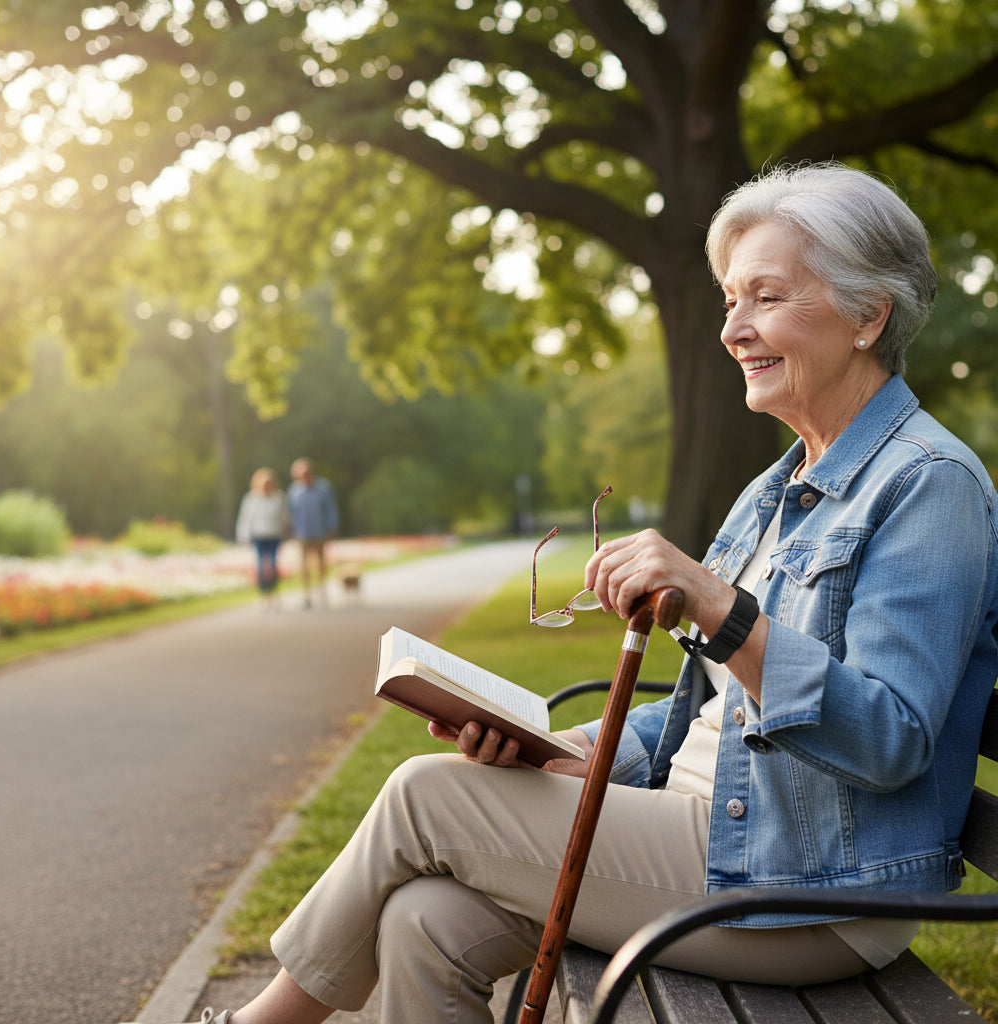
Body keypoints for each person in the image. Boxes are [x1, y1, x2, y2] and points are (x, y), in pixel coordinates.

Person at [134, 163, 998, 1024]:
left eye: (765, 297)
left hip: (814, 887)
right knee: (421, 922)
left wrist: (716, 605)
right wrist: (567, 749)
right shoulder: (778, 488)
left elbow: (893, 738)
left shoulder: (930, 486)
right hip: (723, 835)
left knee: (423, 795)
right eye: (730, 300)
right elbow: (711, 717)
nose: (733, 329)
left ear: (867, 315)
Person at [235, 468, 292, 609]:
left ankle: (273, 592)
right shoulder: (251, 499)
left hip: (274, 535)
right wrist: (243, 536)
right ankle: (263, 593)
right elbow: (245, 519)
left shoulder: (278, 498)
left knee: (272, 565)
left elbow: (285, 518)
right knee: (261, 566)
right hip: (259, 536)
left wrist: (287, 532)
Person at [287, 458, 340, 608]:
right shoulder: (294, 490)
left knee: (321, 561)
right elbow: (291, 512)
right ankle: (306, 593)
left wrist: (333, 526)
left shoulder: (324, 488)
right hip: (302, 532)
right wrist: (290, 530)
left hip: (320, 531)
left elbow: (331, 508)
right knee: (303, 564)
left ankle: (321, 589)